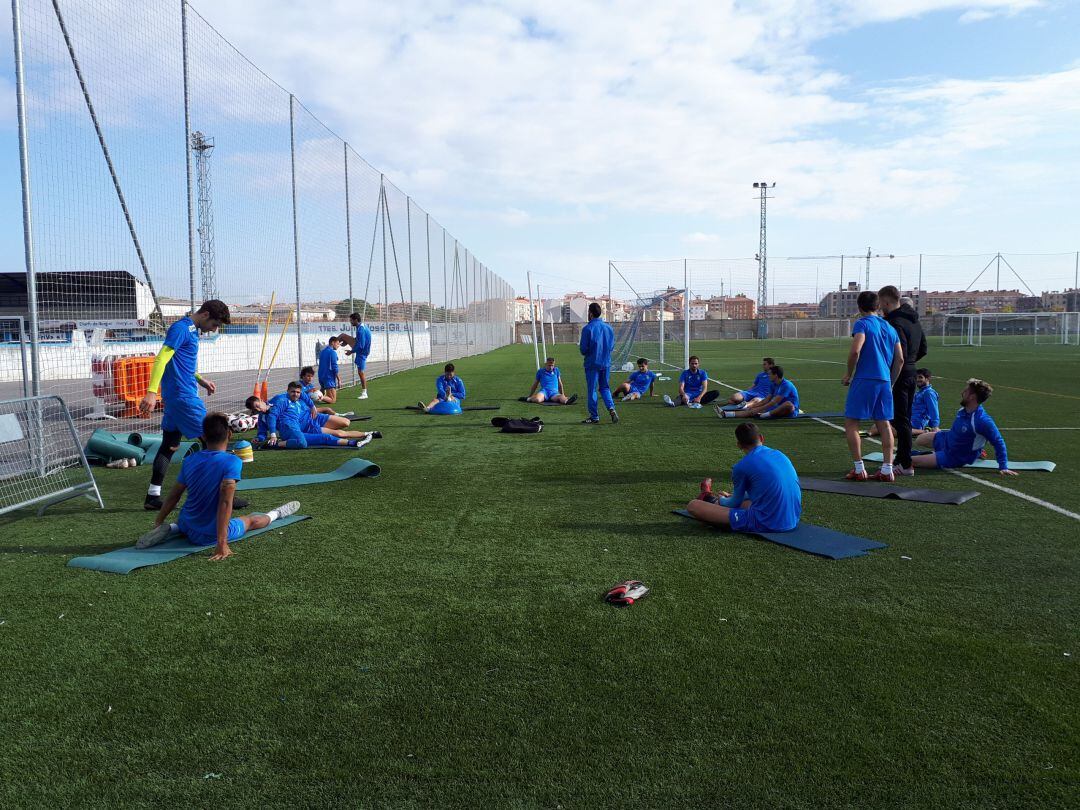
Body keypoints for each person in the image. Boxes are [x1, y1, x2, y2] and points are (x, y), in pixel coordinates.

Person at [135, 412, 300, 561]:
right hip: (209, 535)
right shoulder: (232, 461)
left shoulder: (190, 460)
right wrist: (222, 543)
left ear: (204, 437)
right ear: (229, 434)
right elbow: (226, 502)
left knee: (188, 516)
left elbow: (174, 495)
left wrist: (159, 521)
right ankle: (277, 514)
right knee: (251, 520)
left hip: (187, 523)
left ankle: (172, 528)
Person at [138, 300, 242, 511]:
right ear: (204, 314)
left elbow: (180, 362)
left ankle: (153, 496)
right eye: (214, 324)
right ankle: (220, 494)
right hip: (184, 398)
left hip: (176, 399)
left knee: (169, 445)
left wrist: (199, 379)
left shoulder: (191, 330)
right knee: (215, 440)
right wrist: (150, 392)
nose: (215, 329)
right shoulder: (181, 329)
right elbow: (161, 360)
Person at [685, 422, 801, 532]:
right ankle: (709, 497)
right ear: (761, 438)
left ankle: (707, 496)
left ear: (739, 445)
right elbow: (765, 490)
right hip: (792, 519)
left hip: (767, 523)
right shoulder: (780, 454)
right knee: (745, 502)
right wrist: (733, 497)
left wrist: (722, 499)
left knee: (693, 505)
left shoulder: (741, 467)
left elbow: (732, 503)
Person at [843, 290, 904, 482]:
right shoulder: (890, 327)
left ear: (860, 308)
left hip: (865, 379)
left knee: (852, 423)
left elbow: (855, 351)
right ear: (878, 306)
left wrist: (848, 374)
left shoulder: (862, 323)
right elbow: (900, 359)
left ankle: (859, 469)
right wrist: (891, 382)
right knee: (884, 424)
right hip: (884, 381)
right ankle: (887, 469)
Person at [911, 378, 1016, 476]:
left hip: (954, 456)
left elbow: (998, 441)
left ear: (972, 397)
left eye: (966, 391)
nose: (962, 393)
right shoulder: (963, 410)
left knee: (910, 461)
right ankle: (975, 451)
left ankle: (973, 452)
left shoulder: (982, 421)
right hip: (946, 440)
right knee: (919, 440)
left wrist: (1003, 466)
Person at [878, 285, 927, 476]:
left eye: (881, 303)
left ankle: (905, 463)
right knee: (901, 418)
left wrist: (892, 377)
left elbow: (900, 355)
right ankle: (901, 459)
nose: (880, 307)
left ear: (886, 301)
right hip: (910, 371)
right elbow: (923, 348)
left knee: (900, 420)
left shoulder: (895, 322)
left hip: (898, 373)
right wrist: (910, 364)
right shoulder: (914, 320)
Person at [249, 383, 379, 448]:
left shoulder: (279, 398)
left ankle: (365, 434)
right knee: (338, 433)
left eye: (258, 404)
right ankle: (368, 433)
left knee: (346, 422)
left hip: (311, 416)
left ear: (261, 400)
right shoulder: (267, 415)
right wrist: (260, 438)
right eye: (255, 408)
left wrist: (312, 406)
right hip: (306, 426)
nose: (258, 408)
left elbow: (303, 394)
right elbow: (265, 427)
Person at [578, 302, 618, 424]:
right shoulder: (609, 328)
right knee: (605, 387)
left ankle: (594, 416)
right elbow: (611, 346)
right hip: (605, 363)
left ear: (590, 313)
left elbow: (583, 349)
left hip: (592, 364)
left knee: (592, 390)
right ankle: (611, 408)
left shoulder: (587, 329)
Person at [717, 365, 799, 419]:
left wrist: (759, 408)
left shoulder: (787, 385)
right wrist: (754, 407)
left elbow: (773, 402)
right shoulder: (773, 384)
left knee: (788, 404)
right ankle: (725, 414)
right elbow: (766, 400)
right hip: (776, 408)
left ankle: (765, 415)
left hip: (789, 410)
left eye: (770, 374)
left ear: (776, 375)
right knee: (751, 410)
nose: (768, 376)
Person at [336, 312, 372, 399]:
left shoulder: (360, 329)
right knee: (343, 336)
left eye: (351, 320)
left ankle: (364, 393)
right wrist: (348, 342)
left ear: (356, 320)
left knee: (361, 372)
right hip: (362, 351)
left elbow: (361, 345)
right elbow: (359, 340)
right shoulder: (361, 327)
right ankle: (332, 346)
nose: (350, 322)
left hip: (362, 352)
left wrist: (351, 352)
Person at [910, 368, 941, 435]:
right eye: (916, 377)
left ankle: (925, 432)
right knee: (883, 425)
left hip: (916, 424)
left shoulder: (929, 393)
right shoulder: (920, 392)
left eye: (920, 377)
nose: (917, 379)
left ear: (927, 379)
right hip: (909, 420)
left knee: (892, 430)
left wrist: (935, 426)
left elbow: (933, 410)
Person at [316, 336, 342, 404]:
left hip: (321, 376)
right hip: (329, 378)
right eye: (337, 343)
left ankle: (316, 396)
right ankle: (315, 396)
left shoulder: (322, 352)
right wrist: (339, 380)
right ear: (332, 343)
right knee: (332, 400)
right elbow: (334, 367)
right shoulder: (332, 352)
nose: (338, 345)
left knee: (323, 392)